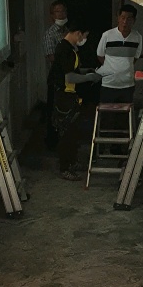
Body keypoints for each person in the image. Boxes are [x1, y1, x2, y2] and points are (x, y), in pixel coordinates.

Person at [49, 21, 98, 180]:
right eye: (84, 36)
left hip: (71, 95)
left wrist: (88, 71)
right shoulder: (64, 49)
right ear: (78, 33)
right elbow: (69, 77)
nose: (84, 39)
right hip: (64, 97)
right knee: (66, 133)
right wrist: (89, 77)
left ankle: (73, 161)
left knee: (74, 131)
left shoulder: (70, 49)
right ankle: (65, 167)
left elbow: (73, 70)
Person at [95, 3, 143, 104]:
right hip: (109, 84)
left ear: (134, 20)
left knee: (125, 112)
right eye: (123, 17)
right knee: (107, 112)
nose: (125, 22)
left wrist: (124, 65)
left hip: (127, 85)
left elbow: (135, 57)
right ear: (118, 18)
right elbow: (100, 55)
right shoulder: (107, 35)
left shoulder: (137, 37)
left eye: (129, 19)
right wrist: (111, 67)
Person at [43, 0, 68, 148]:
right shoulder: (50, 33)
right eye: (58, 11)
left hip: (69, 77)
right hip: (56, 77)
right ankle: (52, 141)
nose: (61, 14)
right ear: (52, 15)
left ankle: (66, 139)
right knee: (54, 110)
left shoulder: (68, 31)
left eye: (63, 11)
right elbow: (51, 57)